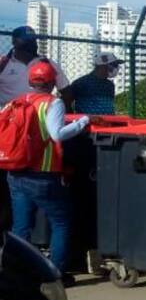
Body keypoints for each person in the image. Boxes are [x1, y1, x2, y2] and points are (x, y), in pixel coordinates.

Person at [7, 62, 90, 278]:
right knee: (61, 222)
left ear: (30, 81)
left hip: (15, 172)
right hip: (42, 175)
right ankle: (55, 274)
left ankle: (18, 273)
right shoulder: (53, 103)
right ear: (53, 82)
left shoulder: (17, 102)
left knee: (21, 227)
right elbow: (57, 134)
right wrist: (83, 121)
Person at [0, 26, 71, 107]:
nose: (32, 44)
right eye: (27, 40)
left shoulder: (48, 64)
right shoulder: (3, 64)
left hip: (38, 116)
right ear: (15, 42)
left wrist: (54, 108)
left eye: (33, 40)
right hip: (8, 116)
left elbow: (67, 93)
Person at [68, 51, 122, 115]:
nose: (116, 68)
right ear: (102, 65)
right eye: (114, 65)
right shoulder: (80, 83)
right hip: (87, 123)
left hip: (109, 122)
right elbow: (66, 102)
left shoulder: (110, 85)